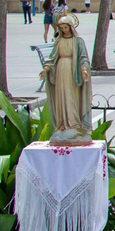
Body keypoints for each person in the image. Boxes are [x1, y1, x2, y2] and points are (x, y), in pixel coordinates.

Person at [40, 13, 93, 142]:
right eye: (61, 28)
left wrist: (84, 69)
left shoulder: (78, 41)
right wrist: (46, 69)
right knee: (61, 97)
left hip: (72, 72)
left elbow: (83, 57)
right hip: (60, 71)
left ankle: (74, 124)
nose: (64, 30)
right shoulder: (59, 41)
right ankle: (62, 124)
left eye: (65, 27)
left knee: (72, 97)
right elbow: (52, 58)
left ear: (70, 27)